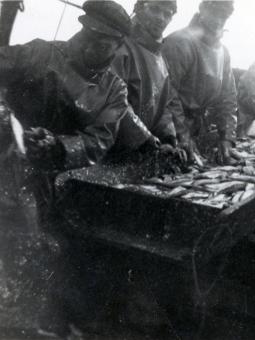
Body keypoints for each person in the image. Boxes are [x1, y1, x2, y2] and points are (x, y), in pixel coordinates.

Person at [0, 1, 150, 336]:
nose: (85, 46)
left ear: (117, 47)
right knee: (18, 261)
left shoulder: (113, 89)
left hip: (63, 183)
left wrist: (58, 147)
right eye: (86, 35)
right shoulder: (39, 53)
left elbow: (98, 139)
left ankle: (54, 325)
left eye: (101, 44)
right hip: (9, 174)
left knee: (61, 259)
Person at [162, 0, 240, 165]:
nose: (218, 20)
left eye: (224, 16)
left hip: (199, 128)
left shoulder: (223, 52)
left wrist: (227, 138)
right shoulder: (179, 42)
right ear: (202, 9)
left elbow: (228, 97)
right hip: (169, 130)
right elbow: (167, 95)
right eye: (214, 13)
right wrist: (182, 135)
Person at [112, 0, 186, 159]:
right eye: (155, 9)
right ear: (138, 8)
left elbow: (162, 104)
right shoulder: (119, 47)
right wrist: (145, 139)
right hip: (112, 148)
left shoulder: (160, 55)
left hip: (142, 148)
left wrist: (168, 138)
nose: (161, 18)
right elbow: (115, 103)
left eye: (168, 14)